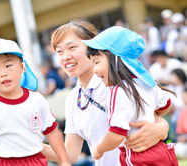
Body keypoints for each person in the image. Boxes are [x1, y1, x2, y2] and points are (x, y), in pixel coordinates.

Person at [42, 20, 170, 166]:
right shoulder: (72, 98)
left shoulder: (118, 84)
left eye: (72, 47)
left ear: (93, 46)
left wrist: (162, 128)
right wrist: (30, 145)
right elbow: (70, 155)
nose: (65, 57)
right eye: (59, 51)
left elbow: (156, 113)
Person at [82, 26, 178, 165]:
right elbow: (166, 104)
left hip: (137, 156)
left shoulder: (117, 92)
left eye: (97, 62)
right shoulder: (145, 82)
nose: (95, 70)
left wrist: (99, 149)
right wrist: (152, 116)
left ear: (116, 60)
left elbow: (117, 133)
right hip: (160, 150)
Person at [0, 38, 71, 166]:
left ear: (22, 67)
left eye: (8, 66)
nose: (3, 73)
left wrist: (64, 161)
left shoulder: (37, 99)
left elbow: (52, 132)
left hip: (37, 161)